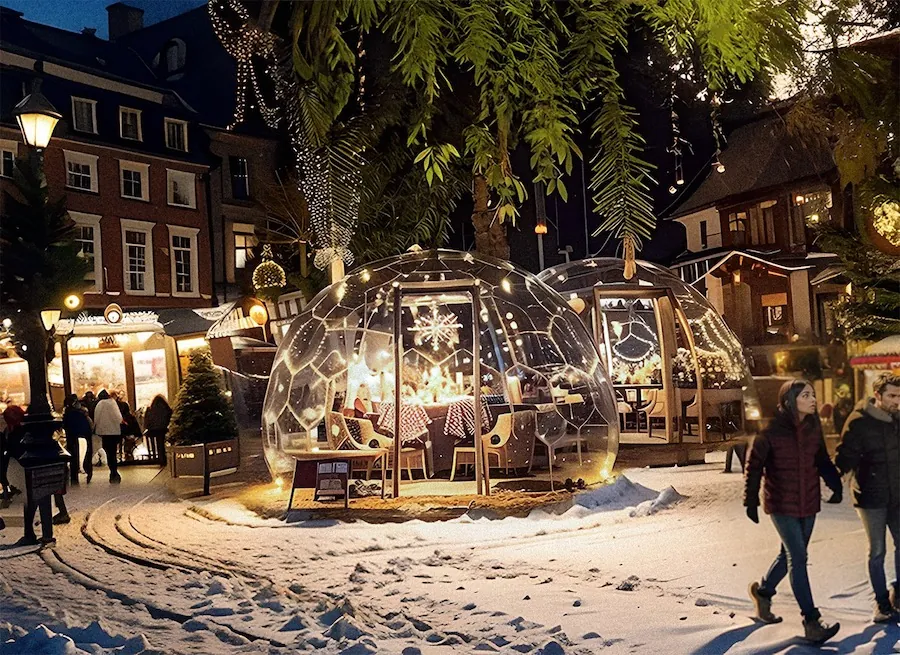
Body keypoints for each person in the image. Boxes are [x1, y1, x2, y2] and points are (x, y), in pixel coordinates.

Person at [744, 379, 843, 645]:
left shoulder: (813, 426)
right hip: (781, 504)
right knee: (798, 558)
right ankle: (811, 621)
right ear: (790, 400)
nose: (813, 399)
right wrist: (750, 500)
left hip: (808, 502)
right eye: (806, 395)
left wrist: (836, 486)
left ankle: (763, 593)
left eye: (813, 395)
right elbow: (754, 467)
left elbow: (821, 459)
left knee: (787, 554)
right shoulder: (771, 431)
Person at [835, 373, 900, 623]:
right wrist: (835, 472)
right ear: (878, 396)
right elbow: (845, 456)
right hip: (870, 496)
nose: (897, 401)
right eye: (891, 396)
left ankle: (899, 596)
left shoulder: (898, 419)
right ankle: (881, 603)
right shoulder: (859, 421)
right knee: (877, 550)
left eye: (899, 396)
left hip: (897, 495)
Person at [93, 390, 123, 483]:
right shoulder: (112, 403)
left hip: (104, 432)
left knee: (108, 452)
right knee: (113, 452)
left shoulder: (99, 404)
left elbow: (96, 419)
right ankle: (114, 471)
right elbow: (119, 418)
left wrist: (95, 428)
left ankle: (112, 471)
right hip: (114, 432)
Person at [63, 394, 93, 484]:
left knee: (73, 454)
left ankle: (74, 476)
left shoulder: (68, 413)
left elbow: (65, 425)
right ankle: (87, 471)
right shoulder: (81, 412)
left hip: (72, 435)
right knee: (86, 453)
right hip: (85, 433)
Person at [1, 403, 25, 501]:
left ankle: (8, 489)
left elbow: (12, 448)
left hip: (15, 463)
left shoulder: (12, 433)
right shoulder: (21, 430)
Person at [143, 395, 172, 465]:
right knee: (161, 443)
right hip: (162, 429)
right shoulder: (166, 408)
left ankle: (155, 457)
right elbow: (169, 416)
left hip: (152, 430)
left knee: (155, 442)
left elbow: (146, 420)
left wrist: (148, 427)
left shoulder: (149, 409)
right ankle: (162, 458)